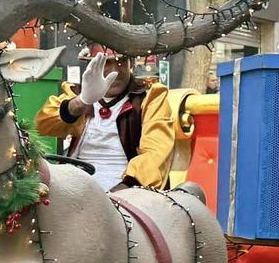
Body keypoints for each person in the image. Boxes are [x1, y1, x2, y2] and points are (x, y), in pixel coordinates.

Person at [35, 45, 175, 192]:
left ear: (131, 64)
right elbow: (43, 125)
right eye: (106, 62)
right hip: (75, 183)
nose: (115, 70)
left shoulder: (149, 98)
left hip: (126, 190)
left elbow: (155, 155)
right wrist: (81, 102)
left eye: (121, 61)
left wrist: (120, 193)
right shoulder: (78, 94)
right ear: (92, 65)